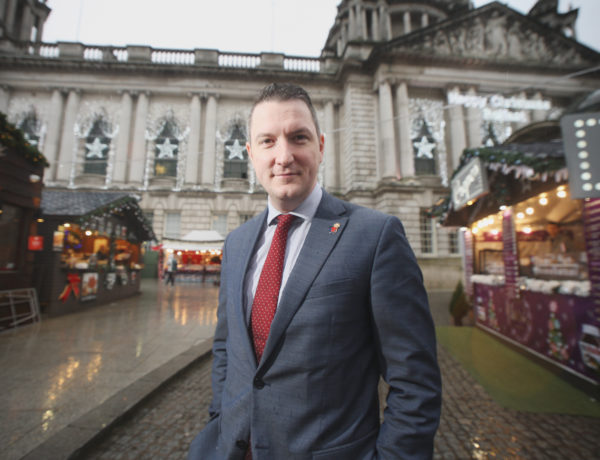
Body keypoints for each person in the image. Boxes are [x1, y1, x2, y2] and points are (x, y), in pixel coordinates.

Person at [188, 83, 441, 459]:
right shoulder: (237, 242)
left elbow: (415, 380)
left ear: (321, 146)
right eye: (268, 141)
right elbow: (227, 348)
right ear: (250, 153)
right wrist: (219, 421)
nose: (284, 156)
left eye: (298, 137)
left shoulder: (375, 235)